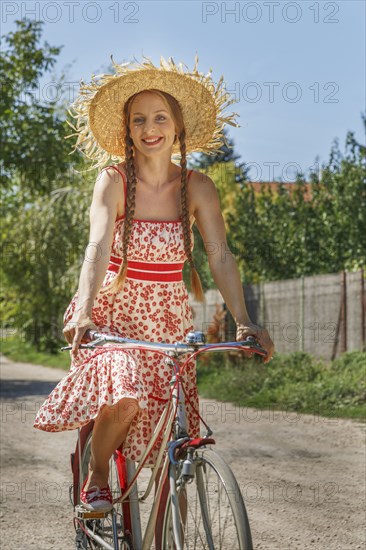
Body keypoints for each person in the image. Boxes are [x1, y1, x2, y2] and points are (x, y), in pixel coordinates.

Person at [33, 55, 275, 512]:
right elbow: (98, 246)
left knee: (171, 449)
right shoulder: (113, 180)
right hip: (111, 317)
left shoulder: (199, 187)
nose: (150, 128)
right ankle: (98, 473)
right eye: (139, 119)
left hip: (167, 324)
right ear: (127, 129)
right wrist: (84, 308)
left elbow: (220, 256)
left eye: (160, 117)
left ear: (178, 126)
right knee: (125, 394)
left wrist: (245, 322)